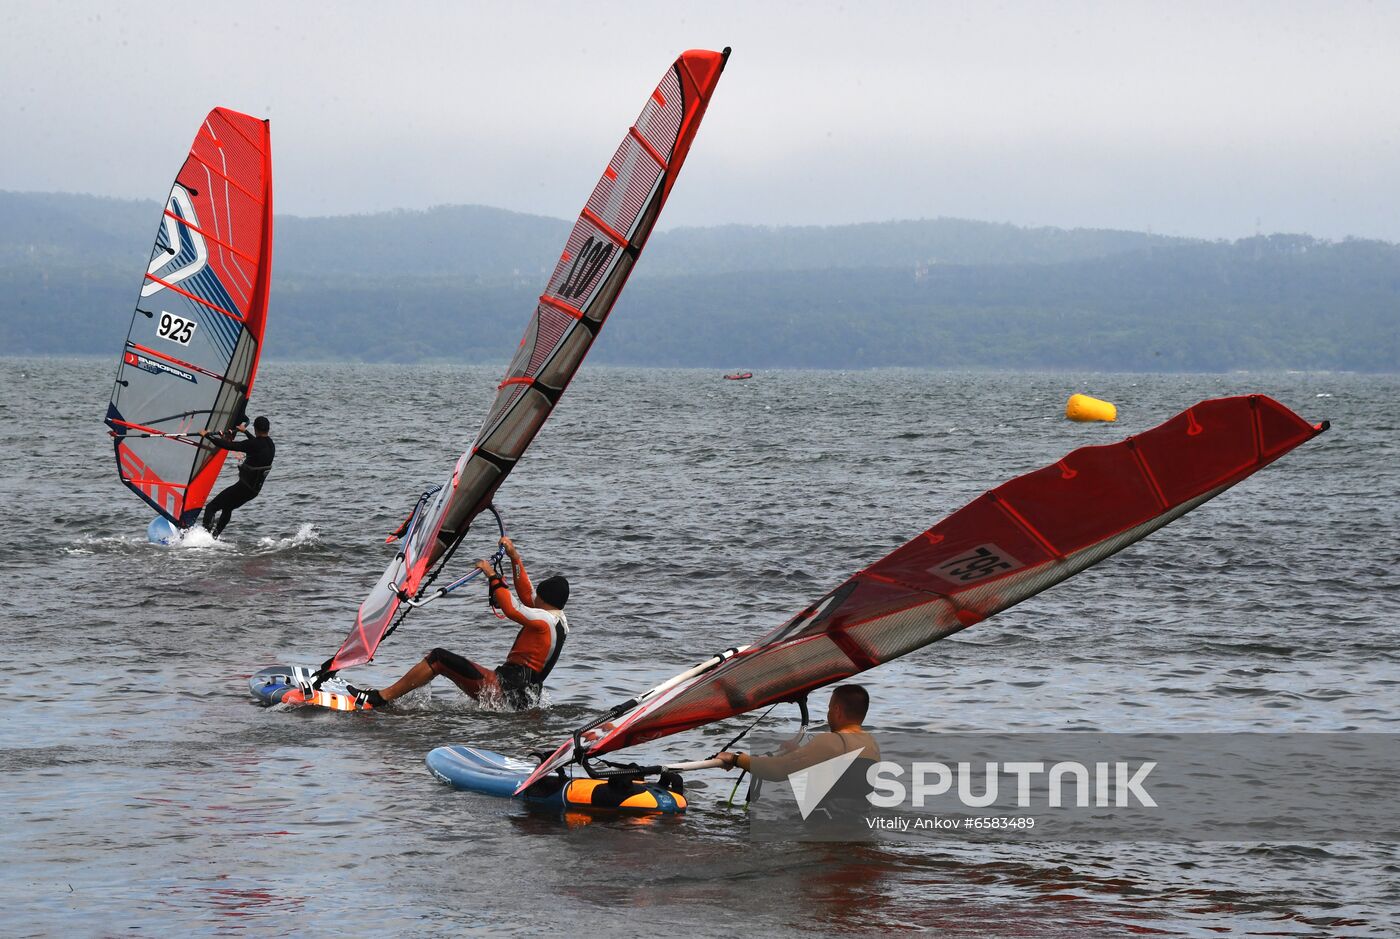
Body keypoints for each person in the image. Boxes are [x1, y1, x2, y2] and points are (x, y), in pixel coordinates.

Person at [347, 536, 569, 710]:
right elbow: (526, 594)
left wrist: (492, 576)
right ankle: (389, 697)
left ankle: (380, 698)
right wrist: (514, 557)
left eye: (537, 598)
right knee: (444, 661)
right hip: (523, 697)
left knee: (439, 658)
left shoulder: (543, 620)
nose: (533, 599)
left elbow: (513, 608)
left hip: (504, 691)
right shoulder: (558, 619)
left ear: (544, 600)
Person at [716, 684, 880, 799]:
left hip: (825, 836)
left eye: (829, 708)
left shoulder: (831, 741)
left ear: (837, 711)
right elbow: (843, 777)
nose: (828, 714)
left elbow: (779, 770)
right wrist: (798, 752)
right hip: (856, 828)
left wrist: (736, 758)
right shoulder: (872, 745)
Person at [198, 415, 275, 537]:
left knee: (211, 507)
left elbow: (229, 445)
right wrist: (245, 432)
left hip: (243, 487)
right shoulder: (270, 444)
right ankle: (214, 537)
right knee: (227, 508)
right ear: (268, 429)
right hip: (253, 491)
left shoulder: (254, 444)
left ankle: (203, 538)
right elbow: (256, 444)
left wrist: (207, 435)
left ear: (255, 429)